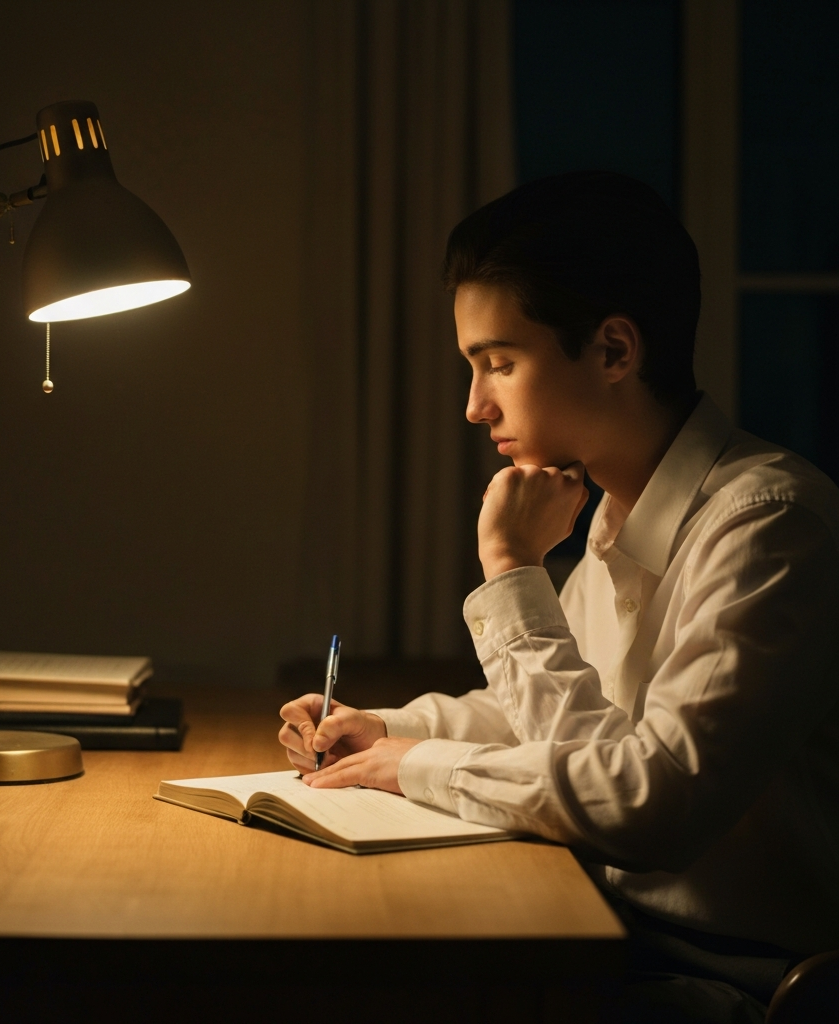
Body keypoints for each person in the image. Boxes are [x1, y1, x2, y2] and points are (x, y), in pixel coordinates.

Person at [278, 171, 839, 1023]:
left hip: (741, 983)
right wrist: (389, 731)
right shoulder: (618, 513)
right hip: (605, 933)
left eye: (499, 363)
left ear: (614, 351)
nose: (475, 406)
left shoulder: (770, 523)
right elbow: (551, 723)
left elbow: (648, 804)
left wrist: (510, 570)